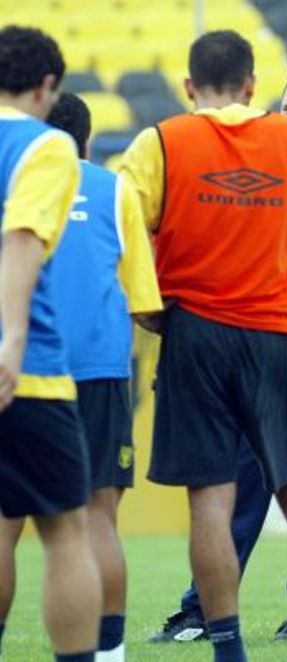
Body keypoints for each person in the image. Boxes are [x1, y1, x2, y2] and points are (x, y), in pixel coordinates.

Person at [117, 31, 287, 662]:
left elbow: (124, 226)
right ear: (253, 86)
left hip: (196, 330)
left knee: (210, 498)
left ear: (188, 86)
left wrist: (146, 306)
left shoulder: (159, 141)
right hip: (276, 330)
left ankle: (228, 649)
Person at [0, 92, 162, 662]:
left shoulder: (13, 172)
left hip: (14, 366)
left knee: (4, 523)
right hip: (94, 369)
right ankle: (108, 655)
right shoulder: (114, 190)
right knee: (94, 518)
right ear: (86, 140)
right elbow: (144, 300)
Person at [0, 25, 102, 662]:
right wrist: (11, 340)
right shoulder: (46, 145)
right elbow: (22, 238)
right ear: (46, 87)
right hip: (27, 369)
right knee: (66, 532)